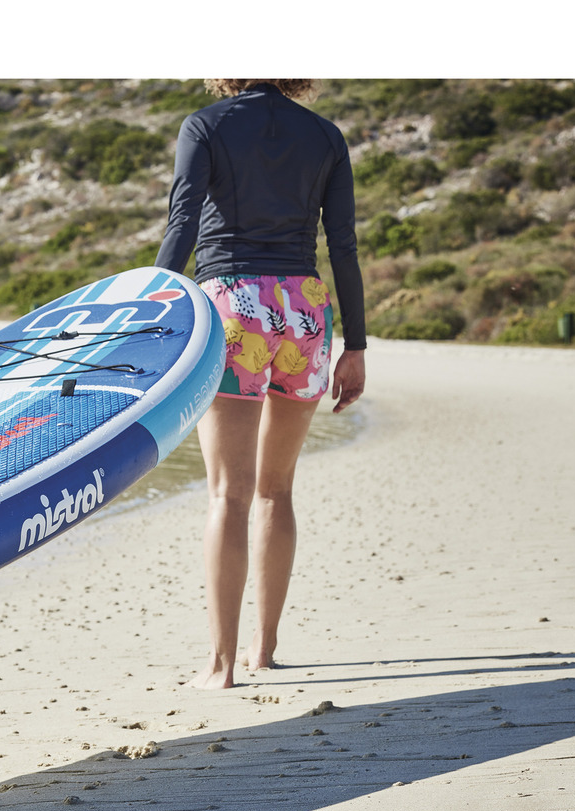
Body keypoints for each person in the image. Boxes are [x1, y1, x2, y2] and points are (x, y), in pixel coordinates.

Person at [155, 79, 367, 689]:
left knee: (230, 494)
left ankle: (220, 666)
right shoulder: (325, 135)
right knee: (276, 490)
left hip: (232, 306)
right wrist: (355, 345)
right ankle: (263, 650)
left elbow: (183, 223)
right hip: (305, 311)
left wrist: (149, 309)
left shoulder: (206, 125)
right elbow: (343, 244)